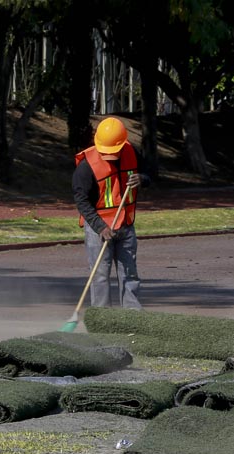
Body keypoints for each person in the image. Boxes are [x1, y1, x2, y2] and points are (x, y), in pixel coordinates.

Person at [72, 116, 150, 310]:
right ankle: (102, 316)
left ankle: (132, 316)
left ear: (122, 145)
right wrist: (100, 227)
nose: (108, 155)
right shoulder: (86, 167)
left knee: (129, 274)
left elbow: (150, 174)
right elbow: (81, 201)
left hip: (125, 225)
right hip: (99, 229)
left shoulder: (132, 152)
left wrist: (142, 178)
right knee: (99, 275)